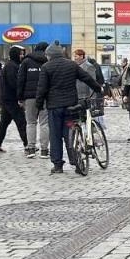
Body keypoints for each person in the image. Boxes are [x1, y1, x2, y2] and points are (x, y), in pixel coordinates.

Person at [37, 44, 102, 175]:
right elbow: (86, 78)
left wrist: (39, 105)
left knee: (55, 135)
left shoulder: (46, 67)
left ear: (49, 55)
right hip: (70, 107)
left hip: (54, 108)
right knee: (70, 133)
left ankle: (57, 164)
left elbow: (42, 88)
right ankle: (77, 161)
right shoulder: (71, 65)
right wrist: (97, 88)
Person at [0, 46, 28, 153]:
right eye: (20, 54)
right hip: (11, 99)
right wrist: (20, 96)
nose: (22, 56)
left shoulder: (12, 65)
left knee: (4, 122)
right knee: (21, 121)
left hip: (7, 98)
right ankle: (28, 144)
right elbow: (14, 83)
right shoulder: (12, 66)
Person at [20, 42, 47, 157]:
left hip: (29, 97)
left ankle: (31, 148)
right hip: (45, 96)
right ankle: (44, 150)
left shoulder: (26, 61)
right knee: (44, 123)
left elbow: (20, 80)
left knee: (30, 123)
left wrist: (20, 97)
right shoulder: (48, 61)